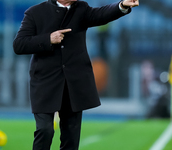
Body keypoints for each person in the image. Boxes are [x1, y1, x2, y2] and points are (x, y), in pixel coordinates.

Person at [13, 0, 139, 149]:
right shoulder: (35, 12)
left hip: (74, 82)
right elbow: (19, 44)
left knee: (71, 137)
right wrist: (48, 39)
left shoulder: (81, 8)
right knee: (45, 129)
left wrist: (122, 5)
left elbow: (102, 14)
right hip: (45, 82)